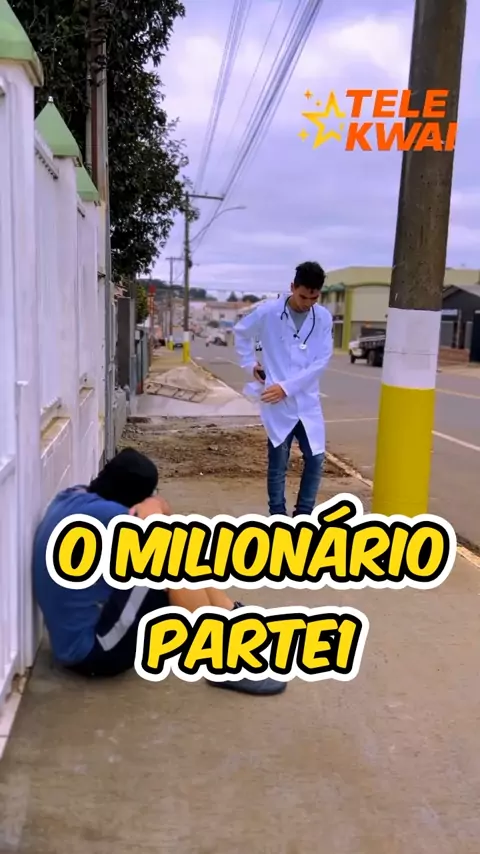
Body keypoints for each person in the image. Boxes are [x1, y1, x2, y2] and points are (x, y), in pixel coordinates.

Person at [33, 448, 285, 696]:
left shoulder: (74, 496)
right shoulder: (116, 518)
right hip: (92, 652)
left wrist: (153, 507)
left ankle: (231, 619)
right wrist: (153, 509)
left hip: (83, 633)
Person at [234, 261, 333, 517]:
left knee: (316, 458)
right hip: (275, 400)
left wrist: (287, 388)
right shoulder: (269, 312)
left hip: (306, 400)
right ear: (292, 287)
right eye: (303, 296)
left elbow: (321, 360)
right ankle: (278, 515)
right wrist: (250, 365)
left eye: (314, 298)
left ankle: (303, 514)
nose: (307, 303)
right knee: (278, 462)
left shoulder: (323, 317)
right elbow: (241, 332)